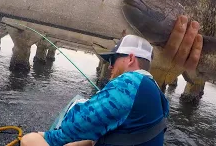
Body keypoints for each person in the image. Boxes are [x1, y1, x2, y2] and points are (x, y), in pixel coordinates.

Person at [20, 15, 203, 146]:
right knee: (87, 141)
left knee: (29, 140)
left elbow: (71, 126)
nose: (109, 66)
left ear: (130, 58)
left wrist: (45, 135)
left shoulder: (130, 83)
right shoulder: (154, 89)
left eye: (113, 60)